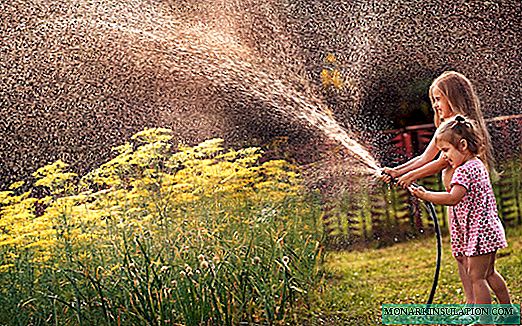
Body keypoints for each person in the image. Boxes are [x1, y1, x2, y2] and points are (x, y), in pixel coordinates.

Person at [380, 71, 495, 304]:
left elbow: (441, 162)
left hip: (468, 205)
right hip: (456, 205)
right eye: (433, 99)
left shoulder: (461, 129)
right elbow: (424, 158)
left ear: (454, 97)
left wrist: (411, 176)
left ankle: (480, 307)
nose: (435, 104)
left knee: (473, 262)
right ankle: (471, 302)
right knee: (462, 257)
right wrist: (397, 171)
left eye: (439, 98)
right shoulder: (445, 127)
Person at [409, 116, 511, 307]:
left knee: (476, 277)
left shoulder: (464, 170)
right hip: (488, 229)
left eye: (446, 150)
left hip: (480, 231)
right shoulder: (477, 164)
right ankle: (509, 312)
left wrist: (426, 195)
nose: (444, 157)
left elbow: (453, 198)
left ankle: (485, 321)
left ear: (463, 145)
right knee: (489, 274)